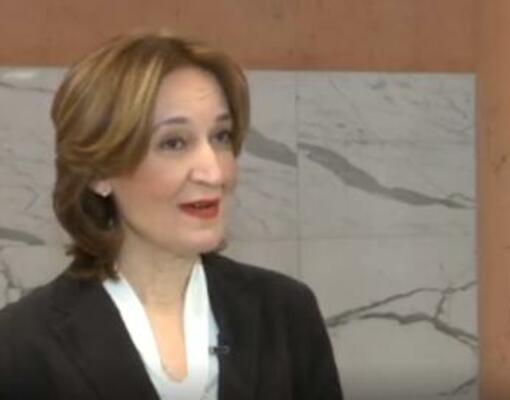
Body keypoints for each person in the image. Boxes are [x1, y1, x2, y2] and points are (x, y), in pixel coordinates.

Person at [0, 31, 343, 400]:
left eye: (221, 136)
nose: (214, 172)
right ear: (99, 171)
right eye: (174, 143)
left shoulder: (286, 312)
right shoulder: (21, 346)